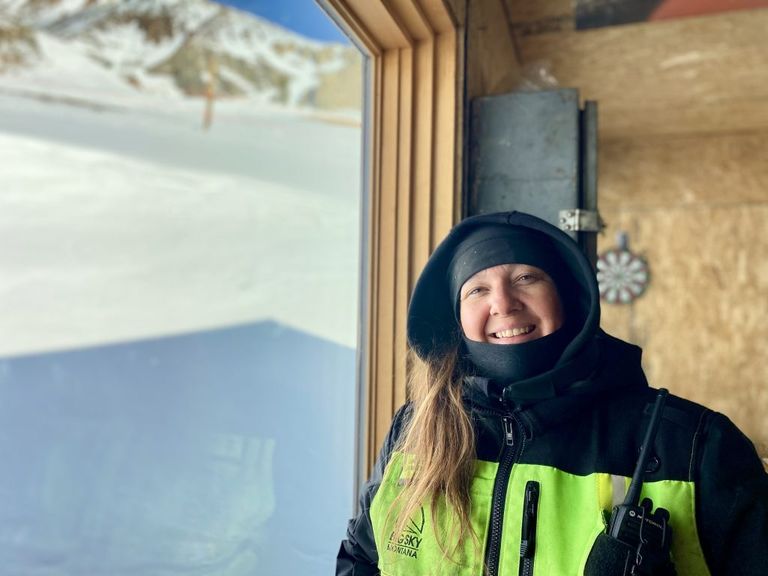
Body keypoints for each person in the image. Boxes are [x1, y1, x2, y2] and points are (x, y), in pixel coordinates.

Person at [336, 211, 768, 575]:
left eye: (526, 277)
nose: (503, 303)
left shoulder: (692, 444)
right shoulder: (412, 432)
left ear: (570, 298)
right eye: (477, 289)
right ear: (455, 320)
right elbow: (360, 560)